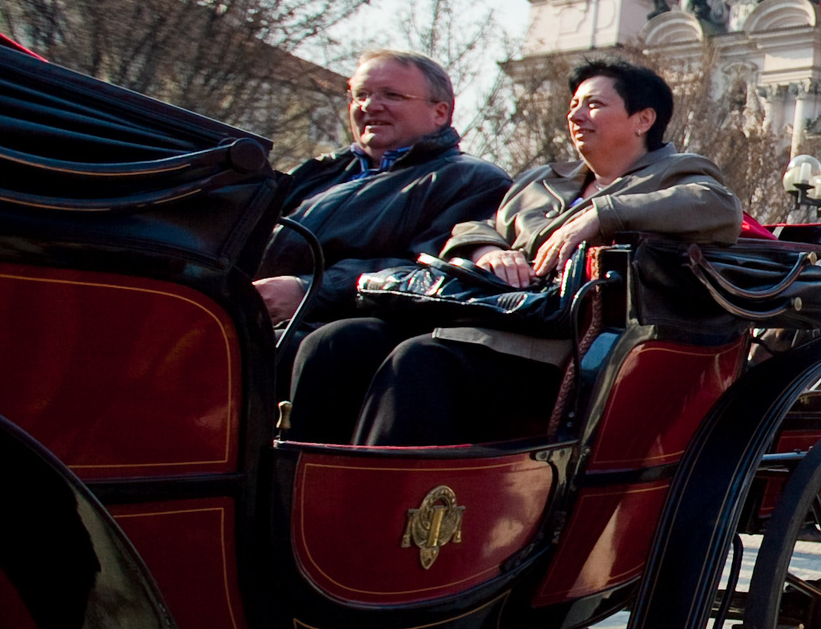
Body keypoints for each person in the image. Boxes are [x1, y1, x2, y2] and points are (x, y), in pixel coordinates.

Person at [287, 59, 742, 446]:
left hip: (566, 348)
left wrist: (604, 213)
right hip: (485, 317)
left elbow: (717, 207)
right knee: (336, 341)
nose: (577, 115)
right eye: (574, 106)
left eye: (594, 105)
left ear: (643, 119)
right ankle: (296, 504)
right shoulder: (544, 178)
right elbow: (479, 224)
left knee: (420, 360)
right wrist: (488, 249)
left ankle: (373, 523)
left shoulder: (678, 172)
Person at [252, 51, 510, 336]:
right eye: (360, 95)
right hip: (246, 311)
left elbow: (432, 272)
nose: (370, 106)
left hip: (338, 332)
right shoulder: (319, 171)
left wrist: (310, 290)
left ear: (440, 112)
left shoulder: (470, 180)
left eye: (391, 95)